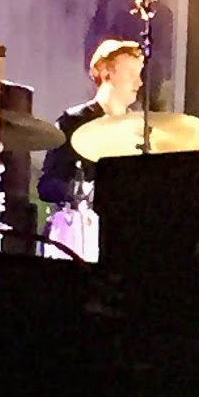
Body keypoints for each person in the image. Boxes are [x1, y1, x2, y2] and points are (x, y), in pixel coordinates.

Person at [35, 38, 144, 262]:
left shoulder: (140, 130)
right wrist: (78, 193)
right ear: (106, 74)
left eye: (140, 73)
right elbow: (47, 185)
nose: (140, 82)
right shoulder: (73, 122)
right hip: (82, 237)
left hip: (127, 237)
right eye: (131, 73)